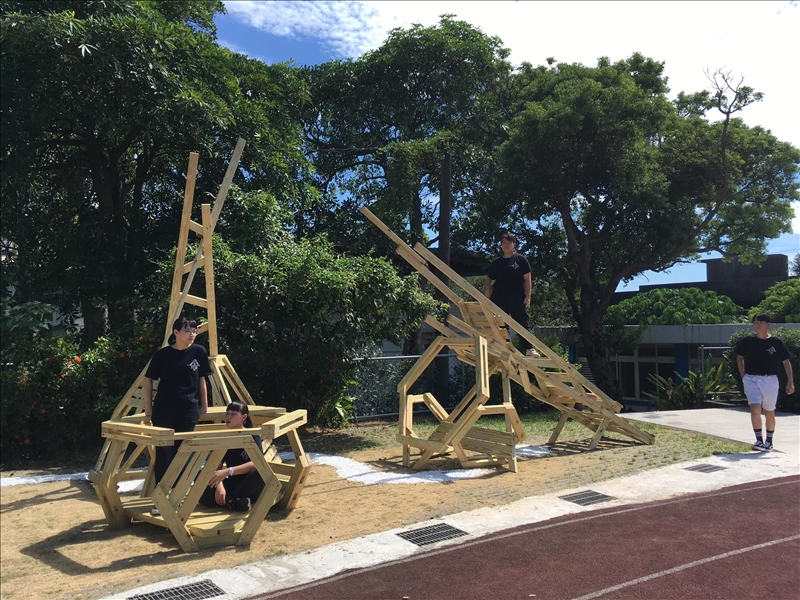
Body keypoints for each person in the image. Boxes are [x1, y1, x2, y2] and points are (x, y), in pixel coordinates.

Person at [144, 316, 212, 495]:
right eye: (188, 331)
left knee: (184, 451)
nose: (192, 334)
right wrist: (148, 408)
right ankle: (161, 495)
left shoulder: (199, 351)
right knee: (164, 453)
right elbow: (148, 380)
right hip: (164, 410)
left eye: (195, 331)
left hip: (189, 409)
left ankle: (179, 494)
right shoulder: (162, 355)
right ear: (176, 332)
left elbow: (202, 379)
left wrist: (204, 404)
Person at [736, 313, 794, 452]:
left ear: (768, 324)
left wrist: (790, 382)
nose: (757, 325)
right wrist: (744, 376)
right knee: (755, 408)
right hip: (751, 378)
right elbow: (739, 358)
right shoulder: (748, 341)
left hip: (770, 379)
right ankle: (759, 440)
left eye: (761, 322)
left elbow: (786, 362)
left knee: (769, 411)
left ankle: (769, 441)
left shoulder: (776, 342)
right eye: (755, 322)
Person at [199, 401, 265, 512]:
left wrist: (228, 471)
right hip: (231, 482)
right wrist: (219, 486)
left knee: (261, 472)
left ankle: (228, 500)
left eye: (233, 414)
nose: (228, 417)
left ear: (244, 417)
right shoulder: (224, 438)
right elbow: (215, 466)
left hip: (248, 483)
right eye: (227, 413)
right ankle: (235, 502)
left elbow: (256, 463)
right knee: (201, 477)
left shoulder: (253, 436)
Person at [484, 231, 538, 356]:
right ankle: (504, 347)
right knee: (501, 323)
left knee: (522, 322)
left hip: (517, 296)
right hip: (499, 296)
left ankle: (529, 348)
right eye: (503, 243)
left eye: (508, 243)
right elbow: (489, 278)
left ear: (514, 244)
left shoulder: (521, 259)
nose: (506, 245)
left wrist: (528, 296)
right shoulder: (496, 262)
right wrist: (487, 288)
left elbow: (527, 279)